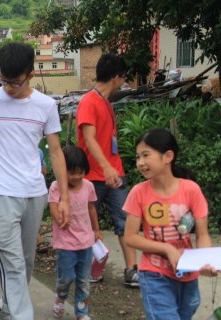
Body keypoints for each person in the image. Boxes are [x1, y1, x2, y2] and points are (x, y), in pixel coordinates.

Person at [0, 42, 70, 320]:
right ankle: (22, 315)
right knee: (11, 262)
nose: (8, 86)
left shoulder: (46, 106)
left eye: (15, 81)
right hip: (2, 192)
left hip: (35, 193)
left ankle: (7, 307)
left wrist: (65, 196)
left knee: (26, 261)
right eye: (4, 79)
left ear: (31, 75)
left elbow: (55, 151)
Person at [123, 128, 217, 320]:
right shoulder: (138, 192)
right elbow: (130, 237)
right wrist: (166, 248)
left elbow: (202, 234)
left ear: (168, 156)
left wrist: (206, 261)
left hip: (188, 275)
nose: (140, 163)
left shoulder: (191, 190)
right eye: (138, 157)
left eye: (146, 155)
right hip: (154, 274)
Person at [76, 53, 138, 287]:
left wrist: (112, 169)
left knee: (125, 221)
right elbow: (89, 139)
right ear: (116, 77)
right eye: (122, 78)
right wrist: (105, 167)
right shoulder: (88, 102)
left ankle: (131, 270)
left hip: (114, 173)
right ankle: (90, 269)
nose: (123, 83)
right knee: (86, 226)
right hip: (92, 176)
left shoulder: (106, 102)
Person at [49, 146, 101, 320]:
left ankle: (81, 312)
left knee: (83, 281)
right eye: (72, 172)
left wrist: (96, 229)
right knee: (66, 277)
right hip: (66, 243)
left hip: (85, 242)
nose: (77, 177)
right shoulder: (56, 187)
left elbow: (91, 207)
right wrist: (59, 219)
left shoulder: (88, 186)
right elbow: (53, 207)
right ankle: (60, 298)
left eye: (80, 172)